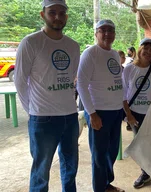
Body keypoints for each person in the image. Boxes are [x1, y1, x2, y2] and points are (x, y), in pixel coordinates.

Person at [14, 0, 80, 191]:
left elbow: (72, 78)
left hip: (70, 116)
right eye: (52, 12)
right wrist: (33, 110)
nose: (57, 17)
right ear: (43, 15)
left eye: (61, 13)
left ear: (66, 17)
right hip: (43, 118)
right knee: (41, 170)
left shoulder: (73, 46)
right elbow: (20, 81)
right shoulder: (30, 42)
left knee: (70, 166)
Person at [76, 19, 124, 192]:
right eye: (102, 30)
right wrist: (92, 113)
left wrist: (122, 108)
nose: (106, 34)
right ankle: (99, 188)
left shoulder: (114, 54)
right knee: (99, 155)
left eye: (110, 30)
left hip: (116, 111)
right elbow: (81, 84)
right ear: (96, 33)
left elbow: (118, 81)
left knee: (111, 152)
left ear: (114, 34)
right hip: (99, 112)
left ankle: (106, 184)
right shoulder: (90, 54)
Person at [123, 38, 151, 192]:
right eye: (146, 49)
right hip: (135, 114)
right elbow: (123, 96)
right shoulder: (128, 69)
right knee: (140, 146)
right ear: (139, 50)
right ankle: (145, 173)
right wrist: (129, 116)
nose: (148, 52)